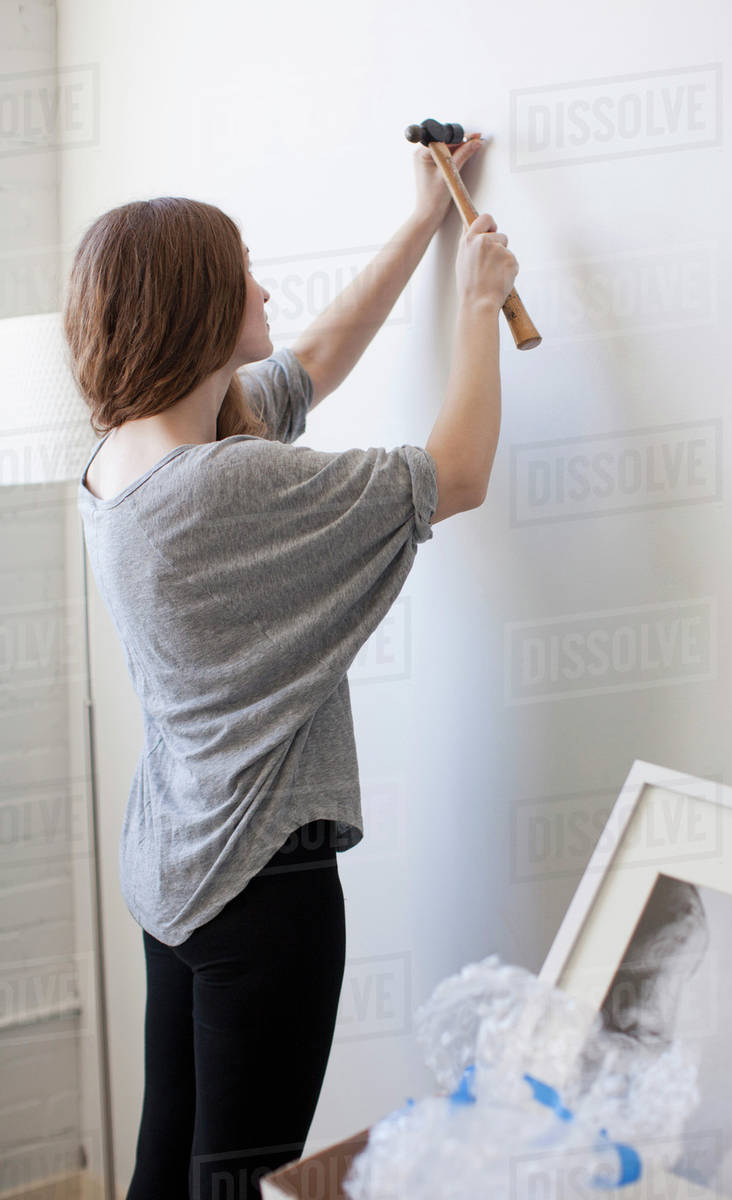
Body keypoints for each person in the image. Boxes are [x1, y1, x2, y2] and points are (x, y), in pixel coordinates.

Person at [64, 135, 518, 1200]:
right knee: (243, 1179)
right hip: (263, 883)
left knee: (168, 1165)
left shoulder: (124, 454)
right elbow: (456, 473)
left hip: (178, 865)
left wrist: (420, 224)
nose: (264, 289)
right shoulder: (223, 492)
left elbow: (313, 356)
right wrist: (479, 304)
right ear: (193, 313)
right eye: (243, 277)